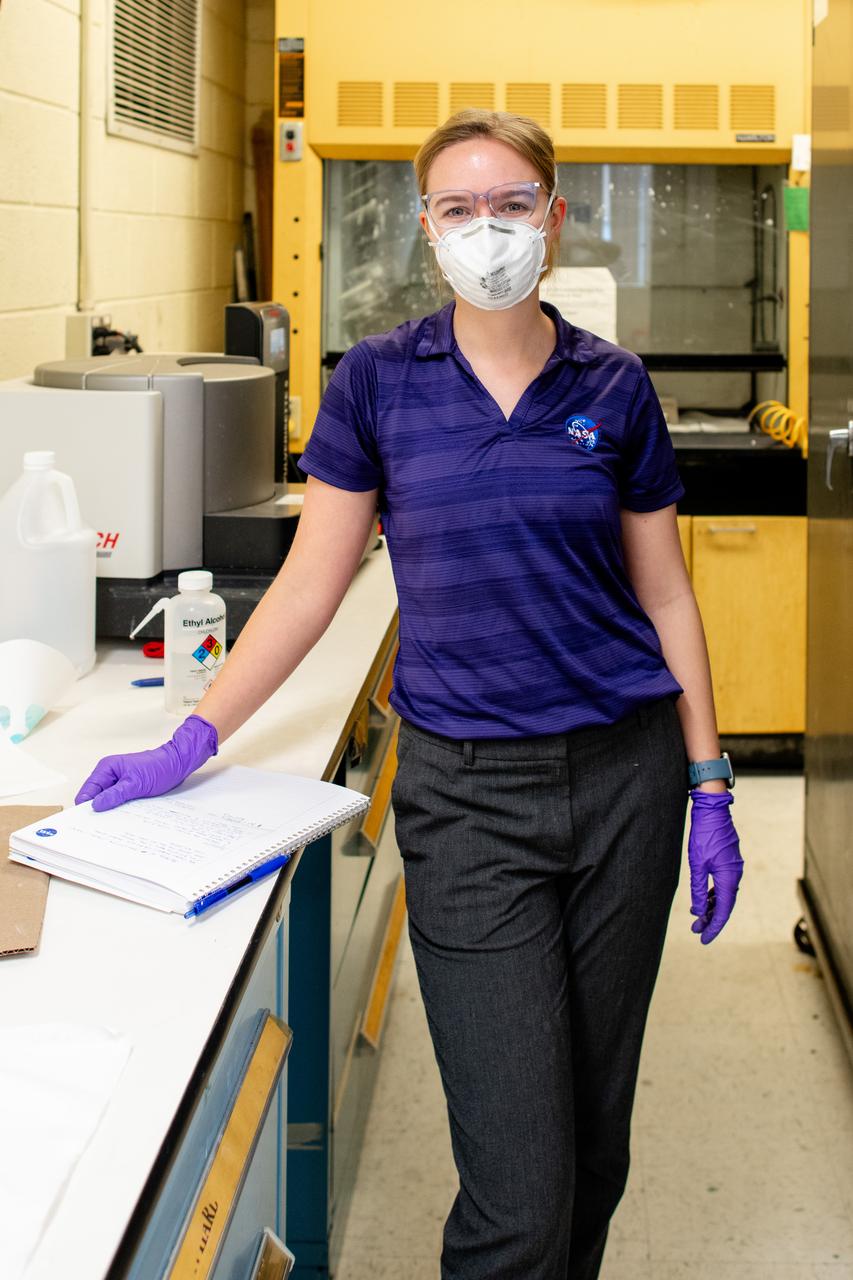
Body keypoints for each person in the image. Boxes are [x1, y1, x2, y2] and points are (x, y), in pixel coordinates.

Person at [76, 111, 744, 1280]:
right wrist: (190, 734)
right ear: (426, 229)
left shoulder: (615, 386)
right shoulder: (378, 383)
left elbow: (668, 600)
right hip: (470, 799)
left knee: (593, 1149)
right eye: (458, 207)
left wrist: (706, 779)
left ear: (556, 215)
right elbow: (306, 586)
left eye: (511, 204)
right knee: (518, 1196)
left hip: (627, 781)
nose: (487, 229)